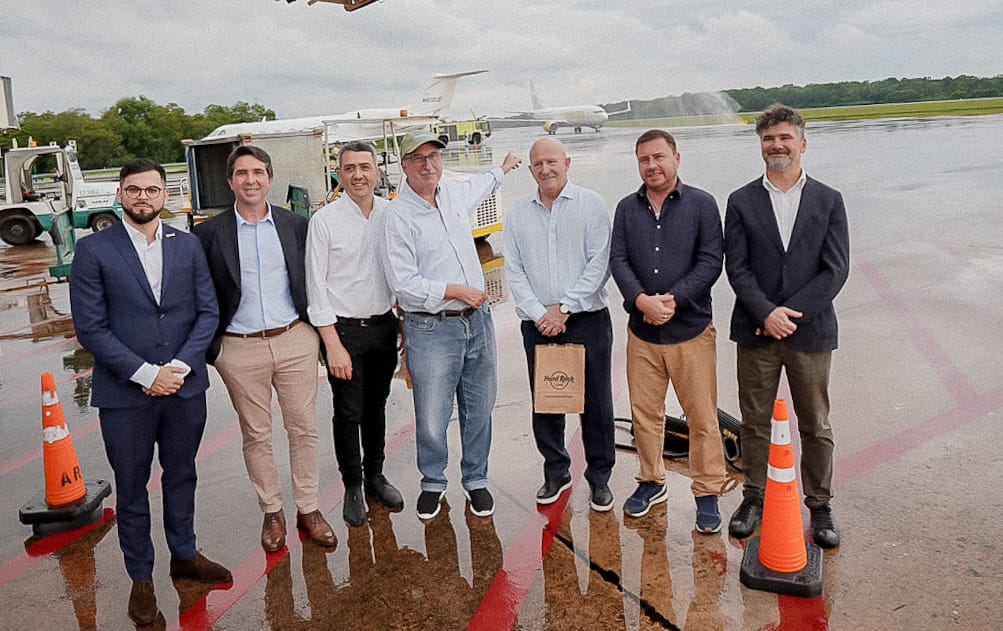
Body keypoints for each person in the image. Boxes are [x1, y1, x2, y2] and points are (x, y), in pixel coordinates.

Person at [70, 159, 231, 625]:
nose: (143, 197)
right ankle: (141, 578)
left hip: (183, 387)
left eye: (152, 189)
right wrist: (144, 374)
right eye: (134, 189)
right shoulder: (94, 250)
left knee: (182, 475)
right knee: (132, 486)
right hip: (125, 396)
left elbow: (207, 312)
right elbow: (91, 327)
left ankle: (185, 555)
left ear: (166, 195)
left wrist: (178, 367)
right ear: (120, 194)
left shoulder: (187, 245)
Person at [194, 145, 337, 553]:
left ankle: (308, 508)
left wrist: (317, 336)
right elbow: (199, 293)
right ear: (230, 182)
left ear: (270, 179)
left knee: (303, 428)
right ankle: (272, 511)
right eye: (242, 173)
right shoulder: (209, 233)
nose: (251, 180)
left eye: (258, 172)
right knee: (256, 434)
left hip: (294, 340)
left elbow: (315, 280)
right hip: (239, 349)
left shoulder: (296, 225)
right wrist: (214, 350)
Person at [724, 103, 849, 548]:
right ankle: (753, 496)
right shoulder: (741, 201)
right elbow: (737, 268)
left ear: (802, 144)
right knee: (754, 421)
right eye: (768, 139)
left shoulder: (829, 200)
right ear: (761, 145)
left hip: (809, 332)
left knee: (815, 422)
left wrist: (790, 313)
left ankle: (820, 502)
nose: (776, 145)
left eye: (784, 138)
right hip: (756, 331)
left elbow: (835, 270)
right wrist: (766, 313)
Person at [382, 130, 521, 520]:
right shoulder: (397, 217)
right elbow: (403, 284)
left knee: (479, 407)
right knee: (432, 414)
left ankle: (476, 478)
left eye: (434, 157)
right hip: (432, 329)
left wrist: (503, 169)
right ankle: (433, 482)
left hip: (478, 323)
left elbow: (482, 184)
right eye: (419, 158)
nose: (428, 165)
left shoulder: (454, 194)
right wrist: (456, 290)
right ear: (404, 165)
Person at [610, 129, 729, 532]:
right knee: (645, 415)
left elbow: (711, 261)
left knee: (702, 417)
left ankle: (707, 491)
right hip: (642, 334)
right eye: (644, 159)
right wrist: (640, 300)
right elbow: (619, 260)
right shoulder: (627, 208)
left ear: (677, 158)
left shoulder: (702, 204)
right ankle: (651, 480)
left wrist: (674, 299)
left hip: (691, 331)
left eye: (659, 157)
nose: (652, 166)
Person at [504, 137, 616, 512]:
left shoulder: (591, 204)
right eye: (538, 164)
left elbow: (599, 264)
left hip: (586, 320)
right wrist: (540, 314)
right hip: (538, 323)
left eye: (552, 161)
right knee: (547, 400)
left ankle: (600, 476)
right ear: (530, 169)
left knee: (595, 403)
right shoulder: (518, 213)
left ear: (567, 163)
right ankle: (555, 471)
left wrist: (565, 308)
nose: (545, 169)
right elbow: (514, 270)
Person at [306, 141, 404, 527]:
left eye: (365, 167)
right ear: (340, 174)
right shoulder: (325, 221)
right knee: (348, 412)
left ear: (378, 172)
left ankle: (376, 475)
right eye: (349, 168)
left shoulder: (391, 214)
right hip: (344, 331)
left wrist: (403, 322)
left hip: (383, 327)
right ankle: (353, 485)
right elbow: (316, 287)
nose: (358, 175)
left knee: (376, 406)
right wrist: (332, 345)